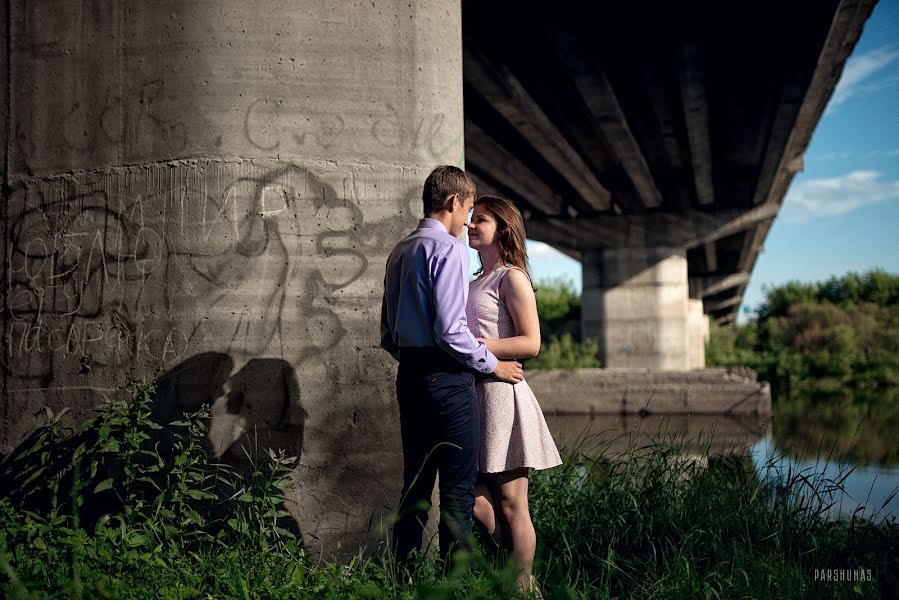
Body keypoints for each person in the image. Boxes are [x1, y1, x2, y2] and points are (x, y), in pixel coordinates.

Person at [380, 166, 525, 567]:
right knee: (458, 494)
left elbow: (388, 334)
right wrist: (491, 364)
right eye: (468, 211)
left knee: (415, 488)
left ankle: (401, 581)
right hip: (448, 380)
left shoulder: (401, 251)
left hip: (408, 377)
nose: (467, 221)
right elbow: (450, 330)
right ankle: (452, 588)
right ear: (453, 202)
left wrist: (416, 360)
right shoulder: (448, 249)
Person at [465, 194, 562, 593]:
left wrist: (473, 344)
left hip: (503, 394)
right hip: (474, 394)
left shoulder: (512, 277)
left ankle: (523, 586)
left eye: (480, 220)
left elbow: (531, 343)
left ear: (502, 228)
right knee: (472, 499)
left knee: (511, 503)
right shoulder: (475, 281)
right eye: (470, 219)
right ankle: (509, 573)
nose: (471, 225)